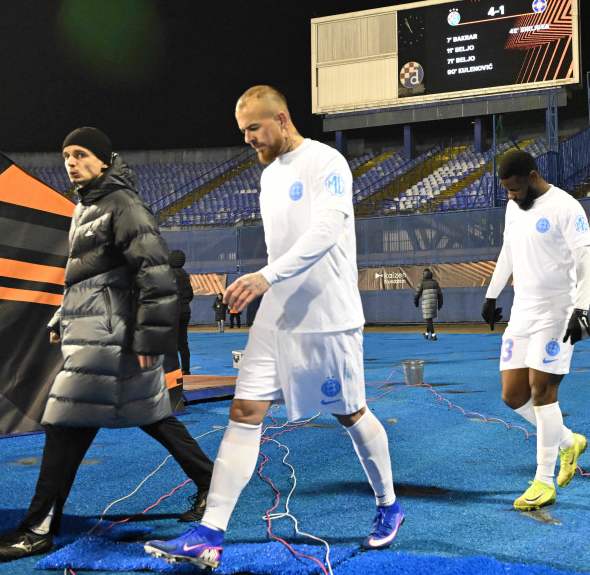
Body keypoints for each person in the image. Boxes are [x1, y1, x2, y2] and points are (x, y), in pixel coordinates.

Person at [145, 86, 402, 569]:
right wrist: (268, 283)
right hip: (277, 315)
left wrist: (267, 275)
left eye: (254, 129)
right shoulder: (268, 176)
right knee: (244, 411)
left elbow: (326, 230)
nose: (248, 139)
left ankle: (389, 505)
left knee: (349, 412)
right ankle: (209, 532)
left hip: (327, 317)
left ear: (282, 119)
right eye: (242, 131)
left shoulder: (326, 163)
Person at [0, 128, 212, 563]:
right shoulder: (87, 208)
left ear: (103, 160)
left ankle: (37, 528)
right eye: (66, 155)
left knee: (62, 425)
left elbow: (155, 274)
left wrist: (151, 337)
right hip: (95, 339)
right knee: (153, 417)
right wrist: (62, 318)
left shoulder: (123, 206)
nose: (71, 162)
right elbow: (82, 281)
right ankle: (213, 482)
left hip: (112, 343)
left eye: (80, 154)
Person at [481, 149, 590, 511]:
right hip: (523, 311)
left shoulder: (566, 207)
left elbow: (585, 259)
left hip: (557, 311)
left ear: (532, 177)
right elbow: (508, 251)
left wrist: (582, 309)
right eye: (506, 191)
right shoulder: (514, 208)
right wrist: (491, 293)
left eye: (514, 189)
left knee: (542, 390)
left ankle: (543, 482)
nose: (510, 197)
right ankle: (567, 442)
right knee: (513, 395)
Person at [170, 250, 194, 375]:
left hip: (172, 312)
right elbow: (190, 295)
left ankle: (173, 370)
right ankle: (186, 370)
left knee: (171, 343)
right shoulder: (185, 275)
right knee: (183, 342)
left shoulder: (168, 274)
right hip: (185, 311)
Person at [414, 268, 443, 340]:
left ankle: (433, 335)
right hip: (434, 304)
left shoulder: (422, 283)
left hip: (426, 304)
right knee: (429, 319)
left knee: (428, 320)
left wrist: (416, 302)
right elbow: (440, 295)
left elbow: (417, 294)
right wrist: (440, 304)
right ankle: (426, 334)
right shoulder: (435, 283)